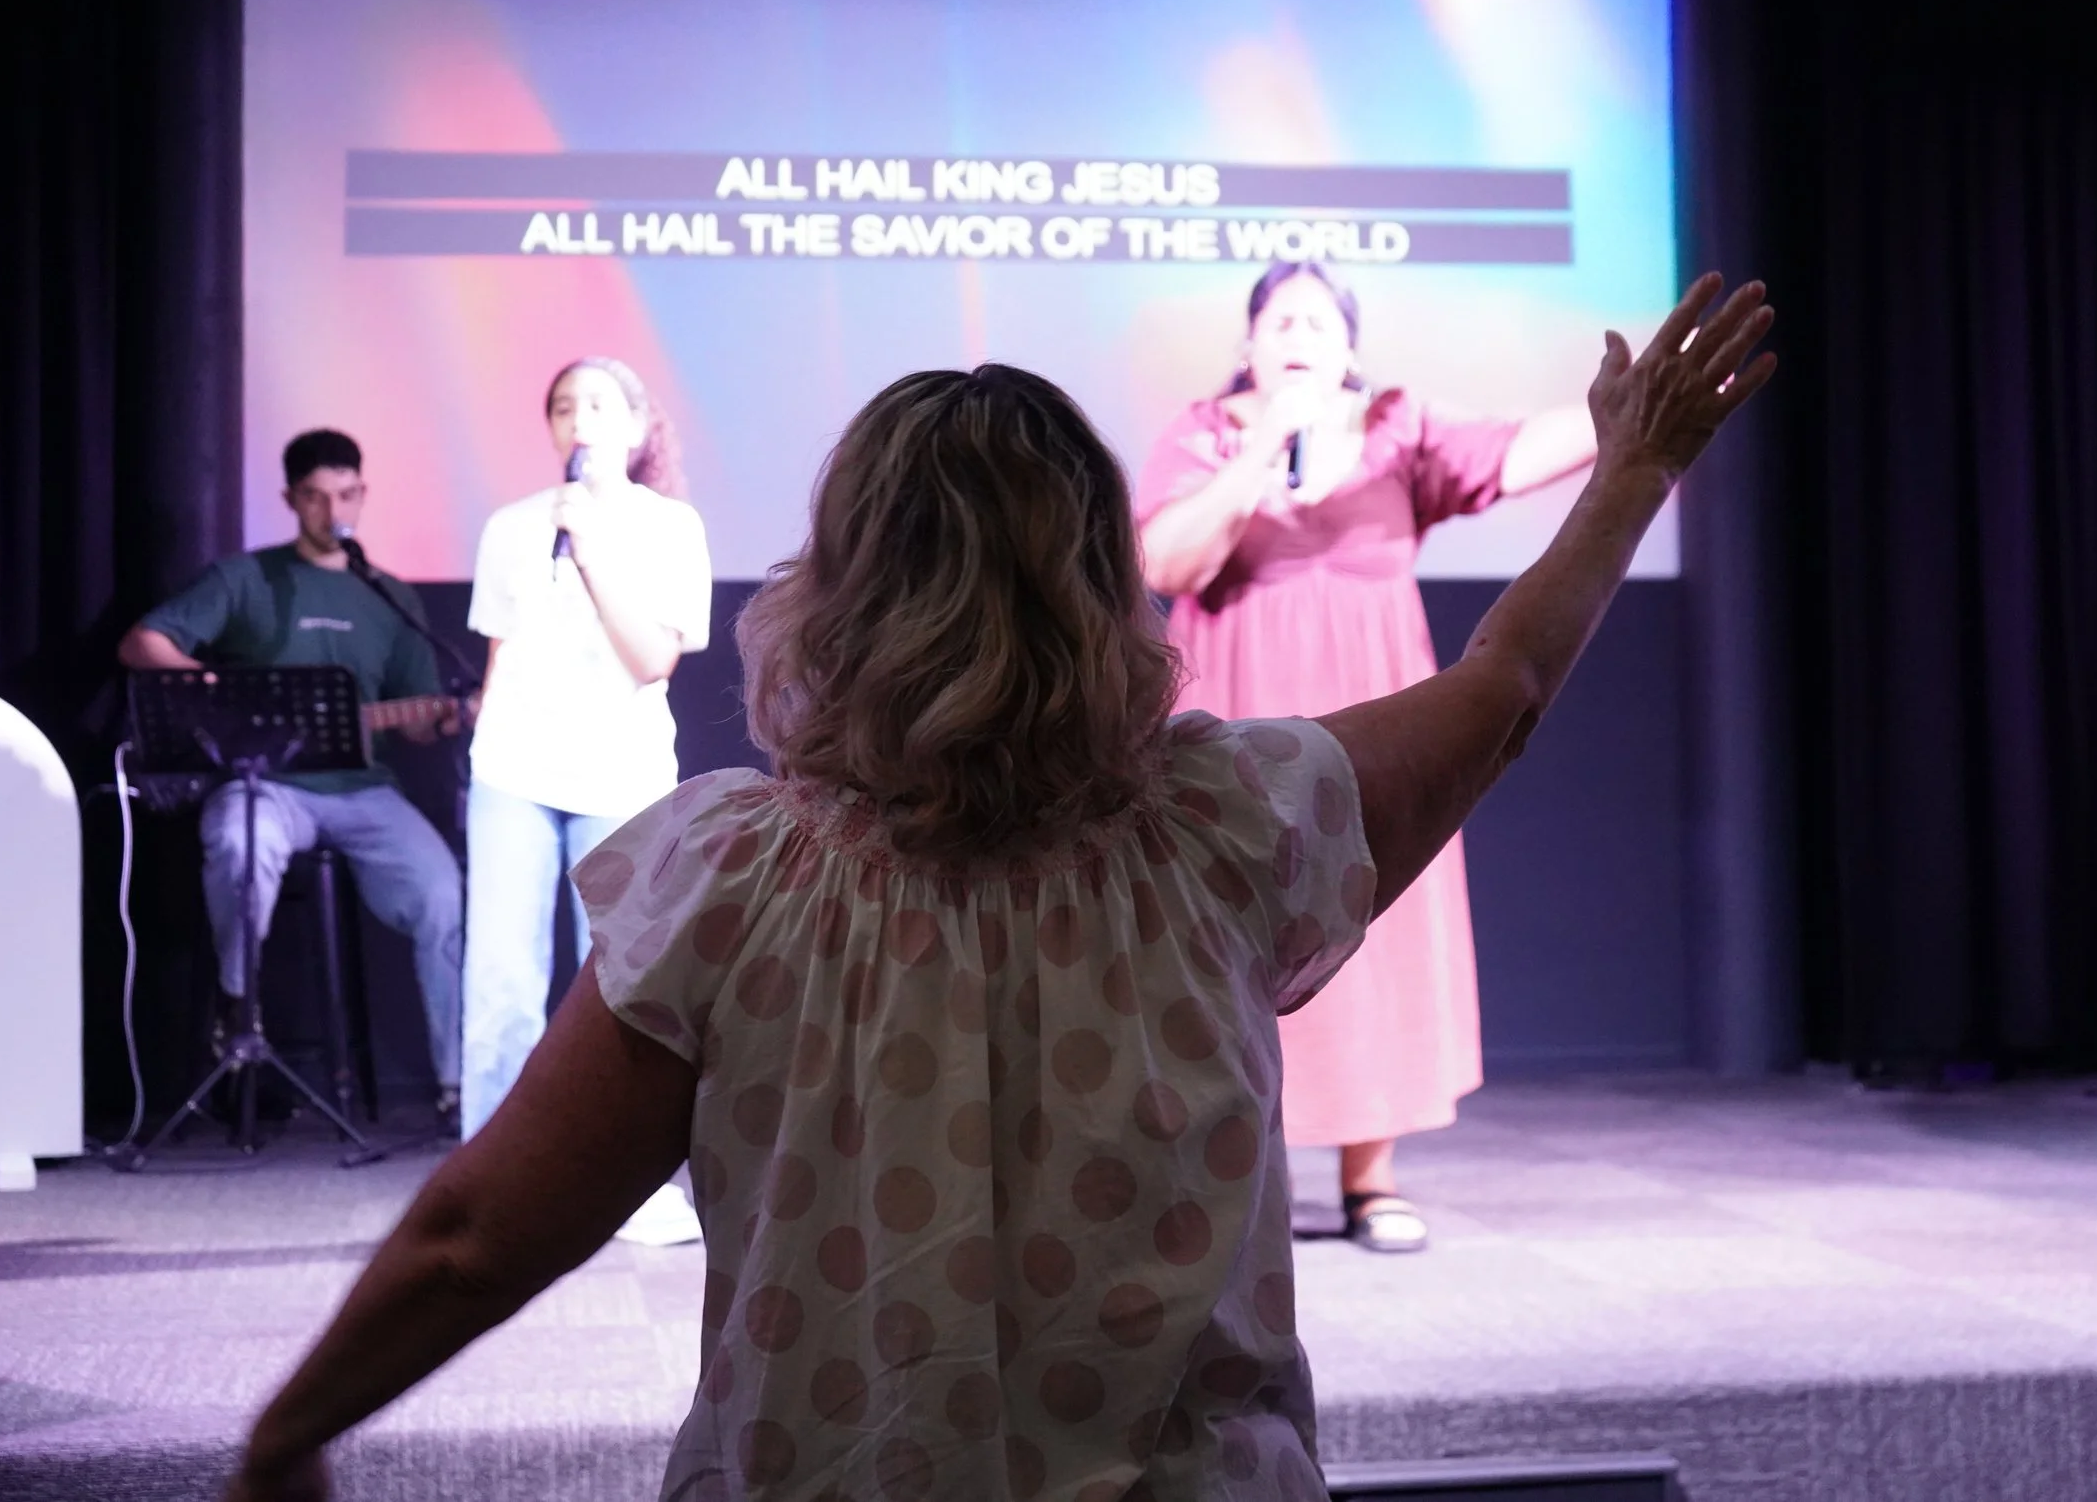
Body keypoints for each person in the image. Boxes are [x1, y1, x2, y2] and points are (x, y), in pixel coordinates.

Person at [220, 273, 1772, 1502]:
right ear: (1102, 582)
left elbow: (477, 1235)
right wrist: (1638, 469)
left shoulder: (729, 880)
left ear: (836, 585)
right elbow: (1503, 681)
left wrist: (288, 1432)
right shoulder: (1234, 826)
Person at [1135, 261, 1603, 1252]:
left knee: (1375, 914)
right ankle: (1227, 1168)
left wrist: (1635, 405)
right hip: (1236, 726)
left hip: (1373, 716)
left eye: (1317, 320)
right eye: (1278, 319)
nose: (1297, 332)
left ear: (1350, 350)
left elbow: (1524, 450)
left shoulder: (1400, 431)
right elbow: (1165, 563)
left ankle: (1370, 1177)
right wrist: (1263, 440)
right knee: (1225, 938)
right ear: (1250, 347)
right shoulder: (1205, 435)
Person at [120, 429, 466, 1127]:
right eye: (313, 495)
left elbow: (420, 714)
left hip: (362, 788)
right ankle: (237, 1012)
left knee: (441, 893)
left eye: (343, 494)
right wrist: (212, 686)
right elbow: (142, 641)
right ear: (290, 499)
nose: (329, 508)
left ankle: (459, 1085)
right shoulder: (245, 578)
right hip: (267, 783)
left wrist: (446, 718)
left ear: (361, 496)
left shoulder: (388, 595)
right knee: (241, 845)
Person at [461, 356, 713, 1238]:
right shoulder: (512, 527)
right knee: (498, 981)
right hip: (513, 772)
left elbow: (652, 659)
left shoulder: (670, 527)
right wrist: (484, 746)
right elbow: (498, 656)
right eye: (565, 406)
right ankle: (487, 1180)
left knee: (619, 986)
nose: (581, 421)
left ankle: (625, 1184)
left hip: (621, 771)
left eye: (599, 405)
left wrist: (595, 548)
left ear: (639, 427)